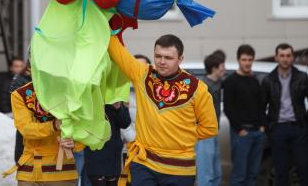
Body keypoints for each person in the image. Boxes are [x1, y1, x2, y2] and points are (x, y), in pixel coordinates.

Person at [108, 34, 218, 186]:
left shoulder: (197, 88)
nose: (162, 62)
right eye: (158, 56)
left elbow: (210, 128)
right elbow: (115, 49)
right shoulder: (142, 74)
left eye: (168, 57)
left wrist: (180, 137)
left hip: (179, 169)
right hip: (144, 162)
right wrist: (105, 18)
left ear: (180, 59)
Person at [3, 79, 83, 186]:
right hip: (29, 170)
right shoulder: (21, 94)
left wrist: (76, 141)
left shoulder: (72, 91)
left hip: (61, 170)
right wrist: (53, 125)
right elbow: (26, 129)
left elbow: (85, 127)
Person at [261, 43, 308, 186]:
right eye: (282, 56)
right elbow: (261, 107)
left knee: (303, 169)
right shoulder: (268, 80)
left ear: (292, 58)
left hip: (298, 128)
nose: (285, 59)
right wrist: (268, 127)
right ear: (276, 57)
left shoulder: (302, 77)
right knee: (280, 171)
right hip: (278, 129)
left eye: (288, 56)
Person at [223, 44, 267, 186]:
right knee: (239, 175)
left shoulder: (255, 80)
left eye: (250, 59)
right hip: (241, 134)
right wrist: (240, 129)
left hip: (258, 133)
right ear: (238, 60)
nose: (247, 63)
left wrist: (262, 127)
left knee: (253, 175)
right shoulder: (231, 81)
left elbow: (261, 106)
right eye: (244, 59)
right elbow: (229, 109)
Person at [195, 52, 226, 186]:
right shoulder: (203, 86)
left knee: (216, 174)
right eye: (222, 66)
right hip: (203, 135)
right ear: (214, 68)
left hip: (213, 133)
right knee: (205, 174)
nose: (224, 69)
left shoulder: (219, 82)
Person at [84, 102, 131, 186]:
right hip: (95, 152)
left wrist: (119, 107)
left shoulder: (117, 97)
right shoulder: (92, 95)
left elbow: (125, 123)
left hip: (113, 156)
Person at [121, 54, 151, 144]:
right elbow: (122, 121)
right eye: (135, 66)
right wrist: (133, 138)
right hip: (130, 144)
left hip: (153, 145)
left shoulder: (156, 91)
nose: (138, 70)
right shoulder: (122, 92)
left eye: (142, 67)